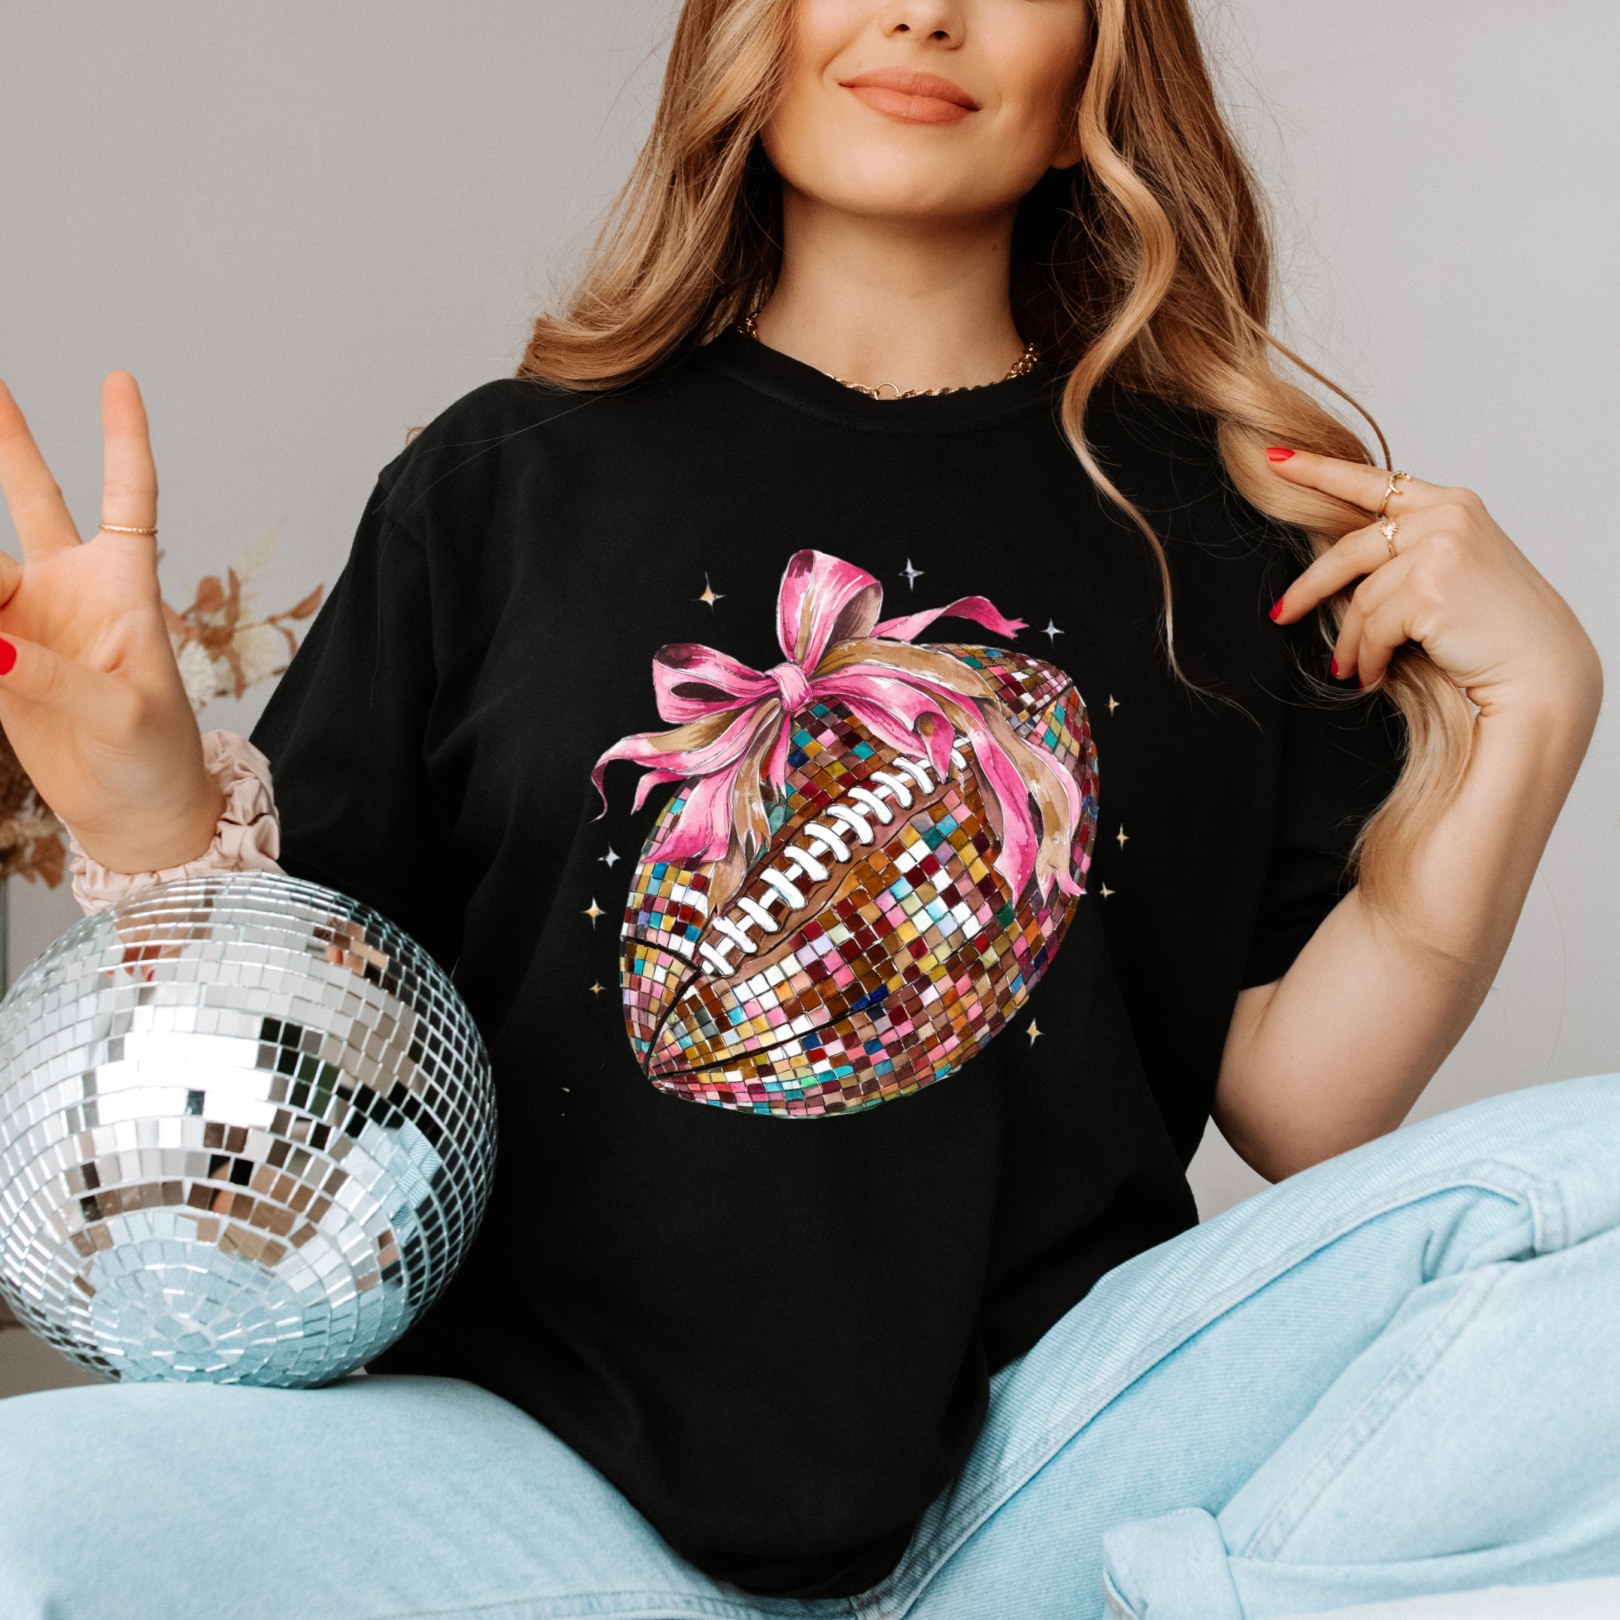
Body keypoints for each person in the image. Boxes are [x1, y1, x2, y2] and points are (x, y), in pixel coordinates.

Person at [0, 1, 1612, 1616]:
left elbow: (1303, 1108)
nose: (923, 10)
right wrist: (154, 828)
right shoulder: (507, 483)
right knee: (29, 1510)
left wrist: (1539, 715)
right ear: (747, 34)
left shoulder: (1220, 524)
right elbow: (319, 1114)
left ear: (1094, 86)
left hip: (1050, 1473)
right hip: (528, 1487)